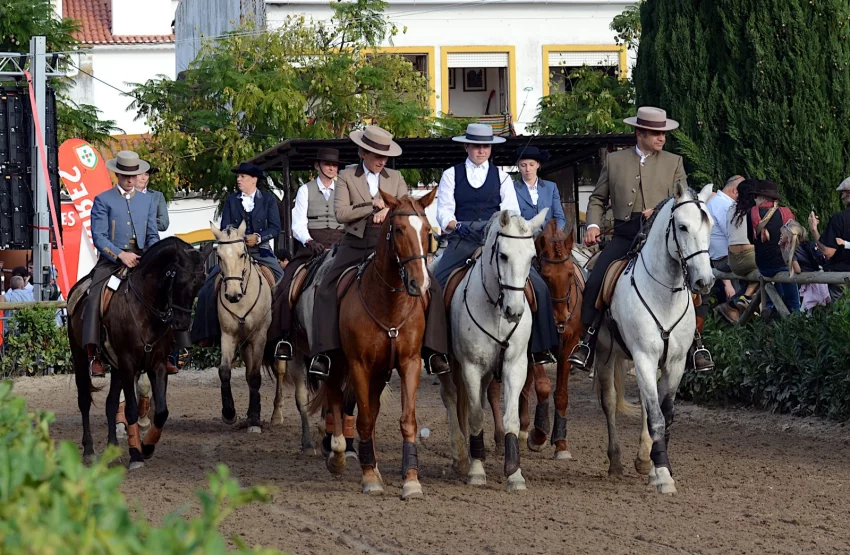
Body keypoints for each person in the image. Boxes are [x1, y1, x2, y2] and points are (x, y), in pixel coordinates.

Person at [569, 106, 713, 371]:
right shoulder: (614, 161)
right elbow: (598, 199)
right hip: (624, 234)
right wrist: (592, 224)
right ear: (639, 133)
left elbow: (683, 200)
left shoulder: (674, 162)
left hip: (661, 237)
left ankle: (695, 343)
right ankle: (587, 341)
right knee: (596, 280)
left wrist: (659, 209)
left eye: (663, 134)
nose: (662, 138)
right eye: (656, 133)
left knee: (694, 287)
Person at [308, 125, 450, 379]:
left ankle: (433, 351)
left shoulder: (395, 178)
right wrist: (370, 206)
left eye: (385, 155)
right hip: (356, 242)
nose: (381, 160)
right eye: (376, 155)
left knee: (433, 287)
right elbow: (341, 214)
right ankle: (324, 353)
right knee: (326, 287)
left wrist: (391, 211)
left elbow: (408, 207)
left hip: (393, 245)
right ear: (363, 153)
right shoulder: (347, 177)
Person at [83, 151, 160, 377]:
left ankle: (170, 351)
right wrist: (120, 255)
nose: (129, 180)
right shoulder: (102, 200)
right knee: (94, 293)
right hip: (112, 261)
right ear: (117, 173)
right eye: (125, 175)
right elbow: (99, 236)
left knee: (169, 289)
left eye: (133, 175)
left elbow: (153, 234)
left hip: (143, 259)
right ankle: (94, 353)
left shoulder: (148, 201)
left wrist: (152, 255)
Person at [191, 162, 283, 346]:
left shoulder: (268, 199)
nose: (238, 179)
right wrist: (237, 238)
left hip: (261, 251)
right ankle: (208, 333)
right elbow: (225, 227)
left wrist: (257, 237)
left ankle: (282, 332)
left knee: (283, 281)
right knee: (208, 285)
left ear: (254, 180)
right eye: (238, 176)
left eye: (243, 177)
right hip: (234, 253)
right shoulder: (232, 200)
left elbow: (275, 227)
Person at [271, 149, 345, 360]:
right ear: (317, 166)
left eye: (335, 164)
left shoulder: (344, 189)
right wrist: (310, 241)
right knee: (286, 285)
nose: (332, 168)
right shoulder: (305, 190)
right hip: (313, 246)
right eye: (327, 163)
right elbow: (298, 225)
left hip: (343, 245)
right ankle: (284, 337)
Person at [511, 145, 564, 361]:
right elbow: (512, 215)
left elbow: (559, 215)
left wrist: (552, 234)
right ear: (518, 167)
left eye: (531, 165)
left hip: (549, 243)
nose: (527, 169)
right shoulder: (512, 188)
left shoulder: (550, 187)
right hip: (524, 242)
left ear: (538, 166)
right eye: (523, 165)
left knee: (576, 270)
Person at [745, 180, 800, 313]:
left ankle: (770, 306)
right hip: (782, 265)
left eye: (756, 197)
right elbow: (793, 241)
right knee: (793, 300)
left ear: (763, 198)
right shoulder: (785, 212)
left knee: (772, 288)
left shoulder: (750, 213)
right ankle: (794, 315)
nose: (755, 200)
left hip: (763, 267)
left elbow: (751, 239)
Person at [809, 177, 850, 301]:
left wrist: (813, 230)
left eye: (843, 193)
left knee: (838, 316)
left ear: (849, 193)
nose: (841, 197)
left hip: (841, 279)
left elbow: (828, 252)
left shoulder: (840, 219)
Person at [135, 166, 170, 232]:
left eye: (146, 174)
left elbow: (163, 224)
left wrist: (143, 219)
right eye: (140, 174)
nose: (143, 178)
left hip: (150, 240)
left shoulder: (157, 196)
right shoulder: (124, 194)